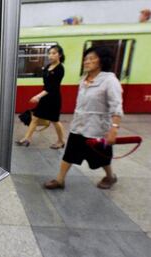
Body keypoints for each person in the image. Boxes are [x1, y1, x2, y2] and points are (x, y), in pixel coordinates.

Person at [44, 46, 123, 190]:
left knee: (101, 158)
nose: (87, 61)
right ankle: (60, 180)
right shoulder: (83, 80)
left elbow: (116, 106)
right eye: (86, 59)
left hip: (97, 129)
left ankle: (110, 177)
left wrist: (114, 129)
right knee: (69, 155)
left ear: (102, 61)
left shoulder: (110, 80)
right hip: (78, 126)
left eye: (92, 58)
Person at [16, 45, 66, 149]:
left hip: (53, 99)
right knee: (34, 118)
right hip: (45, 98)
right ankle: (27, 138)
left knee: (55, 121)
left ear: (59, 55)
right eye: (49, 53)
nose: (50, 56)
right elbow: (45, 84)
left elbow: (51, 87)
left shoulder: (60, 69)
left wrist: (38, 96)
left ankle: (61, 141)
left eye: (54, 53)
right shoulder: (48, 67)